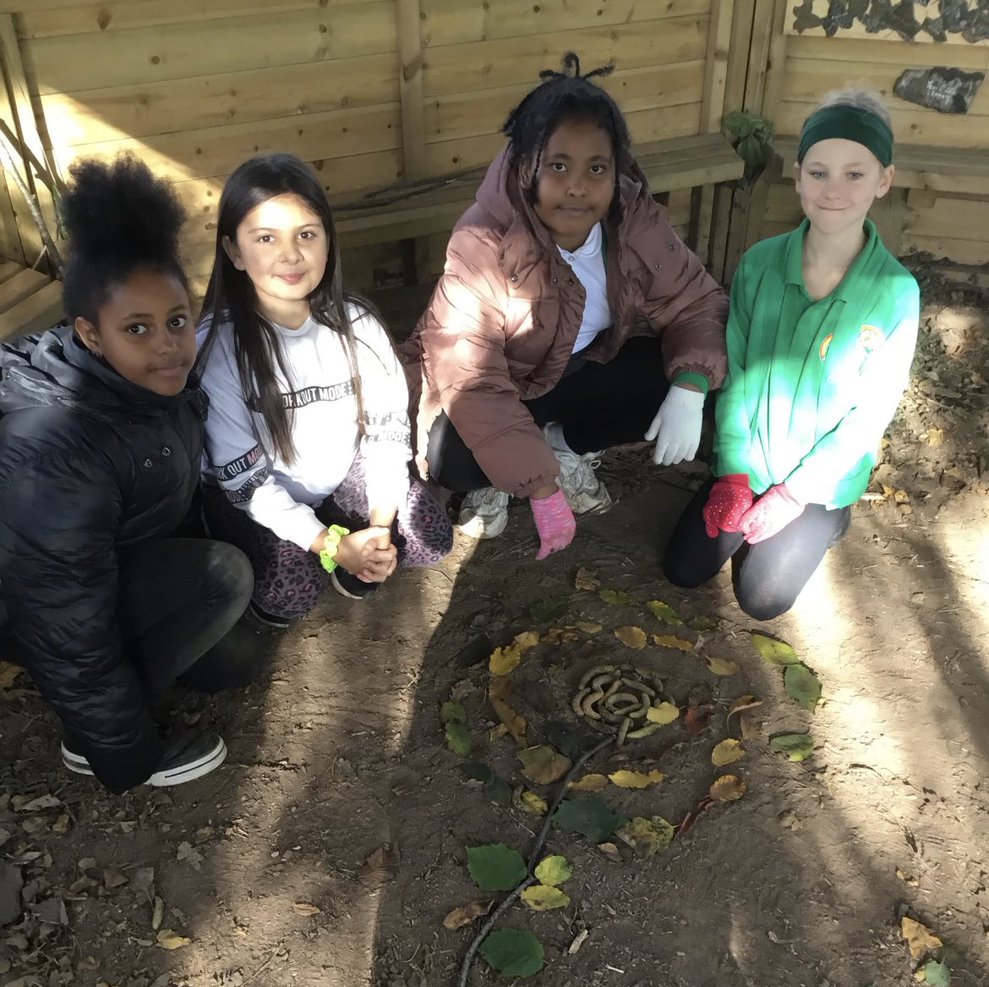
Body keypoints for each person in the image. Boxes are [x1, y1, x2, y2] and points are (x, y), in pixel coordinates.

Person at [401, 53, 729, 559]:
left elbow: (695, 301)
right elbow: (471, 380)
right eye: (558, 166)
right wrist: (537, 484)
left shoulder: (632, 218)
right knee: (453, 456)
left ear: (615, 171)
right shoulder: (482, 241)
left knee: (667, 377)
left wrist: (690, 387)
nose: (577, 185)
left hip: (573, 370)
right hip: (495, 387)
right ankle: (504, 474)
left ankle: (563, 446)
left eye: (596, 168)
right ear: (527, 167)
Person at [0, 156, 254, 792]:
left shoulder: (153, 382)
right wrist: (122, 752)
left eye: (175, 320)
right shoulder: (56, 448)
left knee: (234, 664)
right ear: (89, 333)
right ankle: (88, 741)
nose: (167, 344)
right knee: (223, 579)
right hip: (26, 601)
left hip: (110, 559)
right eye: (136, 329)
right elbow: (61, 615)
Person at [662, 88, 920, 620]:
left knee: (762, 599)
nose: (834, 190)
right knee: (683, 570)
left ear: (884, 180)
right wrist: (733, 471)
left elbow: (868, 417)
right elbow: (737, 376)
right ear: (798, 175)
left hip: (817, 478)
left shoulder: (896, 293)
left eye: (855, 173)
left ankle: (831, 518)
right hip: (751, 462)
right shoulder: (760, 264)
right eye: (819, 172)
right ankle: (743, 495)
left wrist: (795, 493)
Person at [196, 153, 452, 626]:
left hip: (338, 480)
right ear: (233, 251)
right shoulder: (217, 348)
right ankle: (283, 577)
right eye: (266, 238)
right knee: (289, 592)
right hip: (253, 498)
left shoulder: (360, 326)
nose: (290, 255)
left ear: (328, 242)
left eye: (306, 235)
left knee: (428, 537)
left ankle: (352, 564)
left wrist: (376, 529)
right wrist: (331, 544)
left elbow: (385, 437)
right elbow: (246, 485)